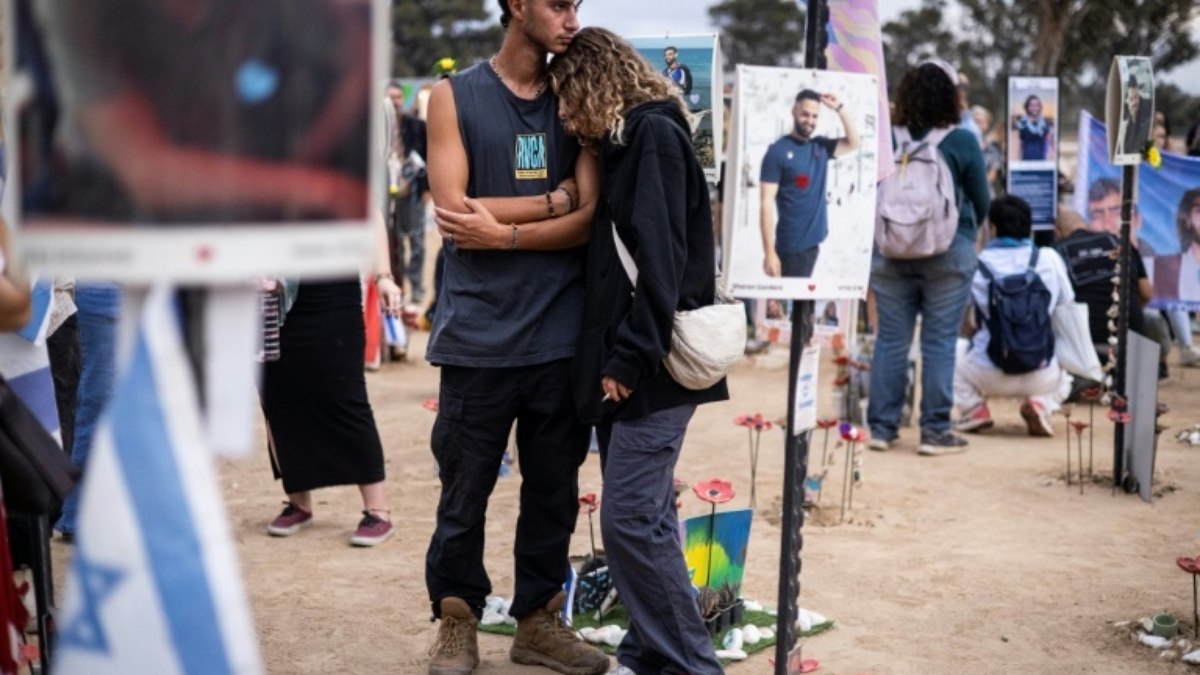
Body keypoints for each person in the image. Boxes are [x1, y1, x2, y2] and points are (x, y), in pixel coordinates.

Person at [421, 1, 608, 673]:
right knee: (463, 490)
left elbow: (590, 218)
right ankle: (456, 619)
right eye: (559, 4)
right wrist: (551, 201)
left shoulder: (575, 94)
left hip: (560, 334)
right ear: (517, 5)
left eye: (578, 6)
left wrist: (505, 230)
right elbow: (451, 208)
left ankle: (539, 620)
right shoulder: (453, 96)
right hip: (478, 335)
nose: (571, 18)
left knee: (553, 489)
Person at [549, 26, 728, 675]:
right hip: (639, 360)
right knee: (644, 520)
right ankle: (647, 651)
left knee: (628, 519)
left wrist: (627, 360)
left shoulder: (651, 136)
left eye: (567, 98)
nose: (565, 116)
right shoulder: (633, 139)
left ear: (592, 84)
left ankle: (690, 663)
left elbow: (662, 260)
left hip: (650, 365)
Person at [867, 59, 990, 456]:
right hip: (947, 253)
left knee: (890, 340)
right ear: (952, 96)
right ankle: (935, 431)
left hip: (889, 251)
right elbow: (982, 200)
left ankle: (882, 429)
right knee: (938, 342)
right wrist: (965, 234)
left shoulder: (888, 136)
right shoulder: (962, 140)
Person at [260, 210, 401, 547]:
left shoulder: (340, 156)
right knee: (277, 394)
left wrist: (382, 275)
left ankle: (378, 510)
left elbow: (369, 210)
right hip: (268, 286)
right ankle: (298, 502)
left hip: (332, 280)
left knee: (344, 392)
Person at [954, 196, 1073, 437]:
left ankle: (974, 409)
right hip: (1042, 373)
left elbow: (961, 315)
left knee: (951, 351)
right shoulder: (1048, 259)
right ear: (1029, 228)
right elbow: (1067, 304)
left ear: (993, 228)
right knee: (1066, 375)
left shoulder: (978, 265)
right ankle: (1041, 404)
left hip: (988, 372)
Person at [759, 89, 860, 278]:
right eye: (805, 114)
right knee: (793, 307)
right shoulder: (777, 152)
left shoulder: (820, 147)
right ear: (794, 111)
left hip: (814, 245)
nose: (810, 120)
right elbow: (765, 204)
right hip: (791, 248)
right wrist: (769, 253)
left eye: (815, 116)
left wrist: (839, 108)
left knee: (806, 307)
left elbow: (854, 142)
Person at [1083, 178, 1179, 375]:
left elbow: (1147, 293)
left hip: (1113, 339)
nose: (1108, 223)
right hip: (1101, 341)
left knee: (1152, 319)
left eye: (1116, 212)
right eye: (1098, 214)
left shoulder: (1155, 257)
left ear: (1137, 219)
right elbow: (1147, 293)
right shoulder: (1116, 249)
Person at [384, 82, 431, 306]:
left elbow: (429, 156)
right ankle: (397, 287)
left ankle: (418, 289)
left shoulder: (416, 126)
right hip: (387, 195)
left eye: (398, 97)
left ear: (404, 100)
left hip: (413, 192)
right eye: (390, 97)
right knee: (394, 243)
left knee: (417, 242)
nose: (394, 102)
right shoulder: (377, 128)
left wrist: (428, 189)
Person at [1013, 95, 1054, 161]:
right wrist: (1016, 160)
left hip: (1042, 159)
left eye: (1037, 105)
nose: (1034, 108)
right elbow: (1018, 144)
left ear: (1040, 107)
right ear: (1027, 107)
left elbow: (1049, 142)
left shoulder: (1045, 123)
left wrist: (1050, 157)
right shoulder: (1022, 123)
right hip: (1025, 159)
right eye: (1031, 105)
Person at [1119, 75, 1153, 156]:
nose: (1134, 103)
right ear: (1127, 101)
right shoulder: (1124, 124)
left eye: (1136, 97)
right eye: (1131, 99)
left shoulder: (1147, 122)